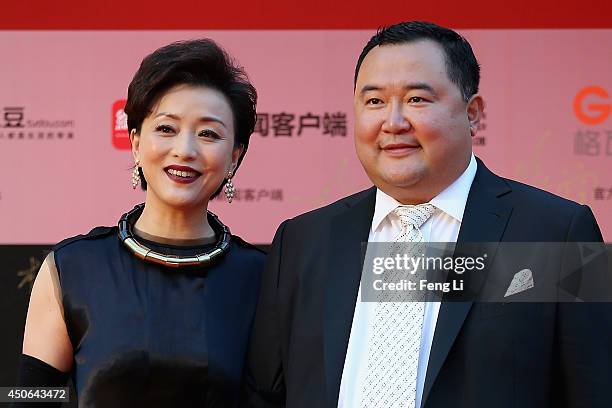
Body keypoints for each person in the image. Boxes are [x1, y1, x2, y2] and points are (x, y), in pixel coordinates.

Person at [243, 21, 611, 408]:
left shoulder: (556, 231)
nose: (394, 122)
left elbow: (596, 389)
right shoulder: (303, 242)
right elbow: (266, 395)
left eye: (417, 99)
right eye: (374, 102)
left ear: (473, 113)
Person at [17, 39, 264, 407]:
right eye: (166, 128)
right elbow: (30, 399)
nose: (185, 149)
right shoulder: (70, 269)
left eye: (208, 133)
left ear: (234, 157)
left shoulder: (261, 278)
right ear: (135, 142)